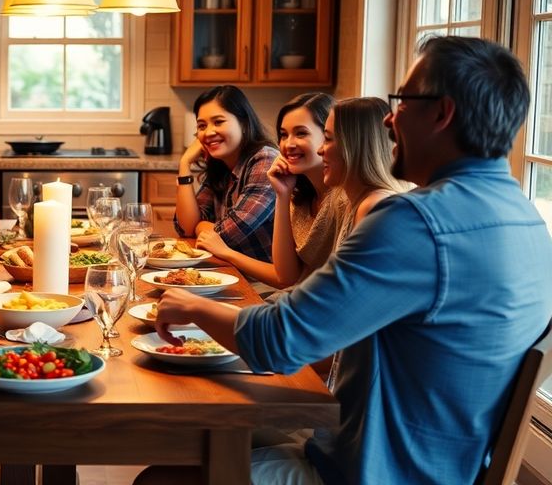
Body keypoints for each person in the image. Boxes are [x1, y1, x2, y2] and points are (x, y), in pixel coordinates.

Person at [143, 36, 552, 484]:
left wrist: (189, 304)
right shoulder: (527, 219)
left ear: (442, 113)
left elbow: (280, 341)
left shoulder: (414, 222)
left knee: (159, 479)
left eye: (402, 102)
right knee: (205, 437)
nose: (390, 120)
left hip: (373, 472)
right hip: (440, 466)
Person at [196, 93, 345, 289]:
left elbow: (293, 282)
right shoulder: (298, 196)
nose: (287, 144)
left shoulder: (343, 200)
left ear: (328, 137)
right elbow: (287, 277)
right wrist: (282, 195)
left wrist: (226, 252)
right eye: (284, 135)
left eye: (301, 133)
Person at [174, 85, 279, 263]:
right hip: (231, 270)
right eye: (202, 125)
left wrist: (201, 226)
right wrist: (184, 164)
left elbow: (227, 237)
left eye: (218, 122)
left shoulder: (265, 161)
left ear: (244, 123)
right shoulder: (221, 164)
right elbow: (185, 228)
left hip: (264, 283)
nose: (208, 132)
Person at [320, 97, 408, 247]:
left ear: (354, 147)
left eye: (328, 139)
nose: (320, 150)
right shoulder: (353, 202)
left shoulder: (373, 206)